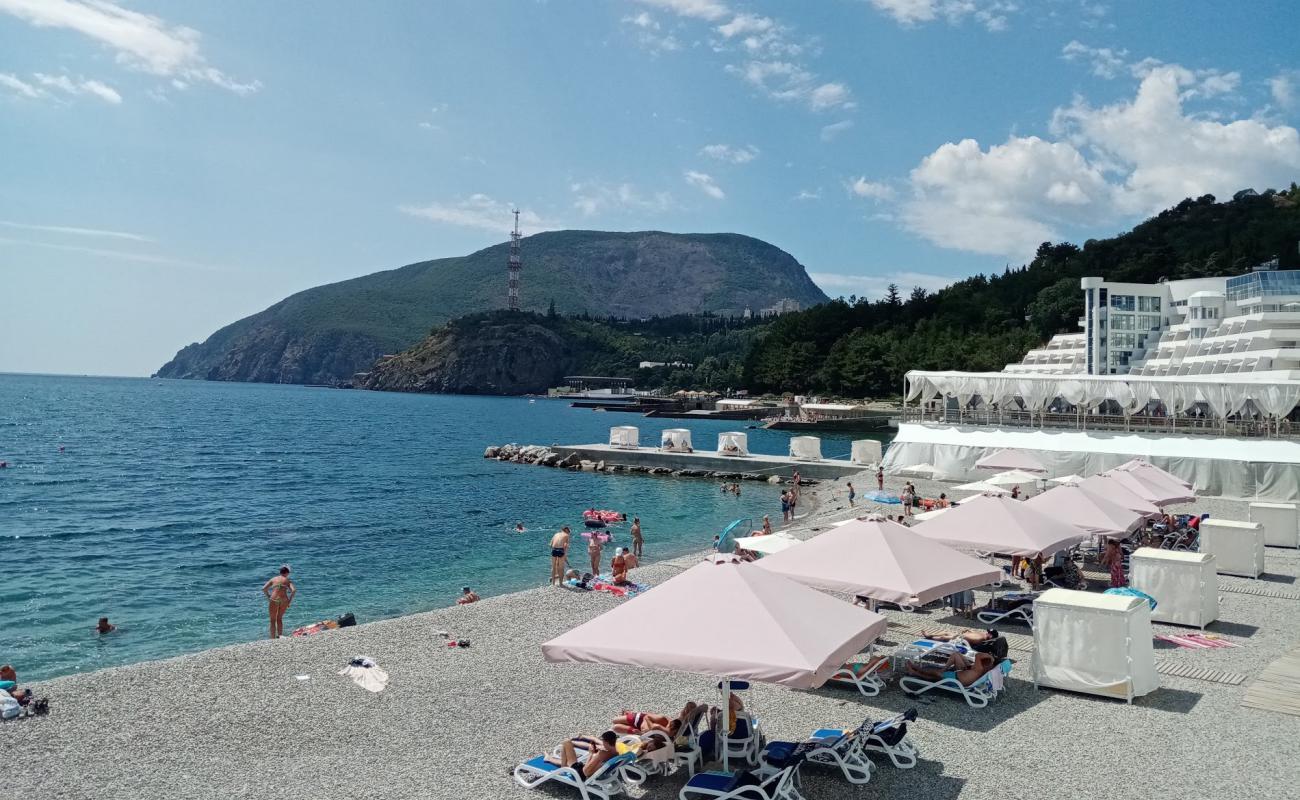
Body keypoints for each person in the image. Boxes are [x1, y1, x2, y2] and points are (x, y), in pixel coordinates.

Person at [544, 731, 619, 777]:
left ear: (606, 742)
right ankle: (549, 759)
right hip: (597, 773)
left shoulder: (602, 754)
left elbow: (585, 772)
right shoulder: (616, 753)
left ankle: (562, 770)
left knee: (566, 742)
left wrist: (590, 754)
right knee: (569, 762)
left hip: (579, 773)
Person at [906, 650, 997, 687]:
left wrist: (990, 656)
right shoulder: (985, 669)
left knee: (935, 673)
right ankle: (914, 672)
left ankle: (914, 669)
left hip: (956, 679)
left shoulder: (979, 668)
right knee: (936, 676)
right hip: (961, 675)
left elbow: (978, 655)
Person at [261, 565, 296, 640]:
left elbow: (263, 589)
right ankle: (280, 636)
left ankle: (273, 639)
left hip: (274, 600)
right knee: (279, 618)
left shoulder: (273, 579)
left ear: (280, 572)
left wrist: (268, 597)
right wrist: (289, 601)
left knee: (272, 620)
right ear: (287, 573)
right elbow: (293, 590)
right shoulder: (287, 580)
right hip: (284, 600)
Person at [922, 628, 998, 644]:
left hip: (960, 640)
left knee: (944, 637)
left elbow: (969, 638)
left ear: (990, 636)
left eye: (988, 633)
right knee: (946, 632)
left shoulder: (981, 638)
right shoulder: (983, 635)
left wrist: (959, 634)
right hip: (960, 636)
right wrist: (969, 630)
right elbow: (975, 633)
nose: (986, 632)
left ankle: (931, 637)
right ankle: (930, 635)